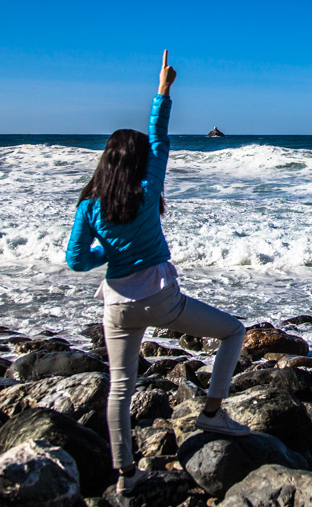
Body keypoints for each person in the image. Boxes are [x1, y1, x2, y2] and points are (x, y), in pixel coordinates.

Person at [65, 50, 249, 494]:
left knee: (121, 388)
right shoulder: (148, 190)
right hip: (162, 300)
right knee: (233, 332)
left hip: (117, 306)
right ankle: (211, 413)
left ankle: (126, 476)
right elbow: (159, 139)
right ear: (135, 161)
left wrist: (107, 257)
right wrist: (163, 90)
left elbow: (74, 259)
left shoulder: (90, 205)